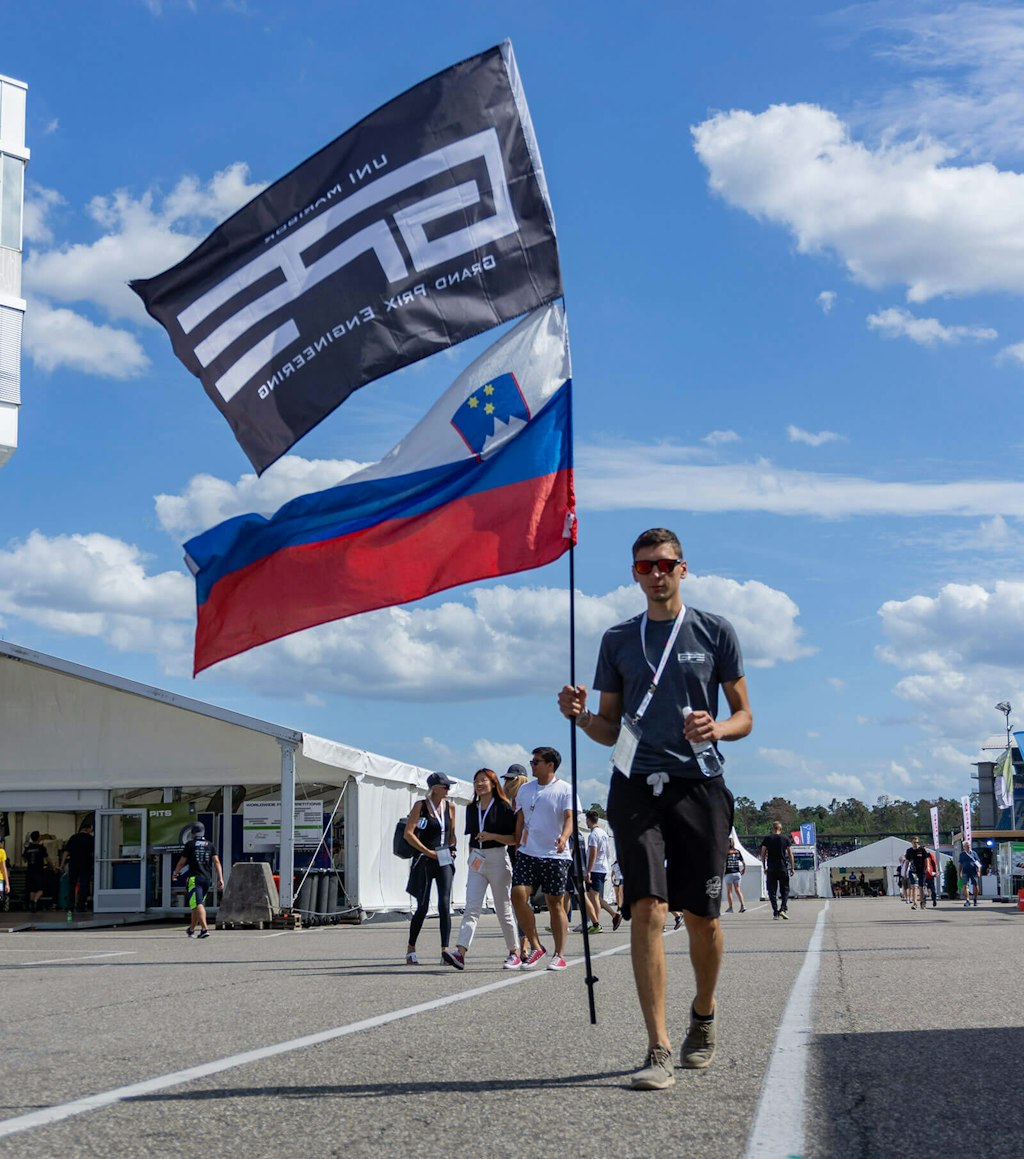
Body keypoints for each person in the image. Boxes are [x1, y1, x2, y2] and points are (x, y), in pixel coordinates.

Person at [558, 527, 752, 1090]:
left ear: (683, 568)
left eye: (665, 564)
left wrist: (718, 727)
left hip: (699, 784)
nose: (656, 574)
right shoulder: (618, 639)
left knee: (704, 917)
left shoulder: (715, 631)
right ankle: (658, 1048)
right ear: (635, 574)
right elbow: (607, 729)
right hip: (636, 784)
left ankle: (704, 1013)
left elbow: (745, 716)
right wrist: (579, 717)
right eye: (645, 567)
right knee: (646, 906)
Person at [510, 746, 581, 973]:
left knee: (554, 903)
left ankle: (559, 954)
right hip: (528, 852)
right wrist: (518, 842)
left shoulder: (565, 790)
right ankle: (535, 944)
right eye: (532, 761)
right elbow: (520, 818)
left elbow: (570, 818)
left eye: (536, 762)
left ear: (550, 765)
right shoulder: (525, 790)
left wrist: (564, 836)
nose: (532, 765)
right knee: (518, 894)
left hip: (555, 855)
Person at [452, 768, 520, 970]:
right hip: (478, 860)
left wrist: (492, 836)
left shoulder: (504, 807)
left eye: (483, 780)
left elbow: (514, 839)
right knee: (471, 907)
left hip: (498, 857)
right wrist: (472, 857)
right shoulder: (471, 808)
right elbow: (472, 836)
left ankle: (514, 952)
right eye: (476, 781)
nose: (479, 784)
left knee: (503, 908)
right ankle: (461, 951)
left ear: (493, 783)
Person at [403, 772, 459, 967]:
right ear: (434, 788)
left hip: (443, 858)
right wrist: (427, 851)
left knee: (445, 903)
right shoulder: (421, 806)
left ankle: (445, 950)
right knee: (423, 906)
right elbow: (408, 834)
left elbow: (452, 834)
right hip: (424, 859)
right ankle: (411, 948)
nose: (448, 789)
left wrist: (452, 849)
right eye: (445, 786)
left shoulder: (450, 807)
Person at [172, 822, 224, 939]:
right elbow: (216, 862)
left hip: (194, 879)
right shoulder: (210, 845)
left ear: (192, 833)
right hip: (206, 879)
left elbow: (182, 862)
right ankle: (191, 929)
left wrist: (176, 873)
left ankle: (205, 929)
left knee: (198, 903)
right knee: (196, 905)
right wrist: (220, 878)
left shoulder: (190, 845)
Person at [585, 810, 622, 932]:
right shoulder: (603, 833)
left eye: (587, 820)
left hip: (596, 868)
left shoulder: (593, 834)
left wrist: (588, 870)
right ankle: (614, 915)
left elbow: (593, 853)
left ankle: (596, 924)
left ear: (589, 820)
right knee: (593, 896)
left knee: (594, 896)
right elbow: (607, 852)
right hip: (602, 866)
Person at [760, 821, 794, 920]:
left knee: (772, 890)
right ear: (780, 829)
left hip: (771, 867)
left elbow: (763, 853)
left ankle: (775, 912)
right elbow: (790, 854)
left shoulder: (767, 839)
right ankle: (783, 908)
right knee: (785, 889)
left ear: (773, 829)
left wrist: (764, 866)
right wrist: (792, 867)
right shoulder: (785, 838)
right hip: (782, 867)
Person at [60, 820, 95, 912]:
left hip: (74, 864)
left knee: (72, 885)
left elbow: (66, 852)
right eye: (91, 830)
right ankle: (81, 905)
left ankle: (70, 905)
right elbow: (95, 852)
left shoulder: (73, 837)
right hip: (86, 865)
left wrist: (62, 864)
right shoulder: (90, 839)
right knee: (84, 885)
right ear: (87, 829)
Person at [23, 831, 53, 913]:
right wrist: (53, 866)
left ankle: (31, 905)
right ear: (39, 837)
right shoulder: (41, 848)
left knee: (32, 889)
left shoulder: (28, 848)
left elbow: (24, 860)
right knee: (41, 889)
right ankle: (35, 901)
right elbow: (48, 859)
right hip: (39, 871)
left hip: (30, 871)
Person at [905, 837, 928, 911]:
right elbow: (907, 861)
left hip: (921, 871)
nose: (916, 844)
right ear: (912, 843)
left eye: (917, 842)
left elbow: (926, 859)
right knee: (914, 887)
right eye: (914, 842)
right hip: (913, 871)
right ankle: (915, 903)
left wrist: (926, 868)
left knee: (921, 887)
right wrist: (905, 871)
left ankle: (922, 902)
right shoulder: (909, 851)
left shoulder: (922, 850)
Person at [723, 837, 746, 913]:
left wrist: (722, 872)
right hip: (737, 873)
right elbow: (743, 862)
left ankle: (730, 908)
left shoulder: (726, 852)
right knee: (738, 890)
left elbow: (724, 864)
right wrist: (744, 869)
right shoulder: (737, 851)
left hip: (729, 873)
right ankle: (743, 906)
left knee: (729, 891)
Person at [959, 840, 981, 908]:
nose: (968, 847)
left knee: (975, 885)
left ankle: (975, 899)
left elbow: (978, 863)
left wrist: (979, 871)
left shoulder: (974, 853)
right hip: (965, 871)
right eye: (967, 846)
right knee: (965, 885)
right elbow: (960, 864)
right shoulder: (962, 854)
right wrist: (960, 872)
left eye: (969, 846)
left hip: (973, 871)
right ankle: (967, 900)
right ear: (964, 847)